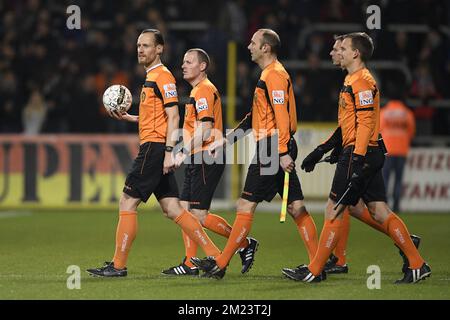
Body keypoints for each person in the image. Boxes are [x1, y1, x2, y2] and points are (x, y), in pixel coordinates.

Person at [282, 32, 430, 284]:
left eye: (341, 48)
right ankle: (417, 263)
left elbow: (364, 125)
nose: (334, 52)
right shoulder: (353, 79)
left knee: (335, 208)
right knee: (378, 211)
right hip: (365, 152)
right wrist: (322, 149)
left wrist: (357, 160)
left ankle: (315, 270)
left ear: (355, 53)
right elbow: (347, 125)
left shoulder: (361, 81)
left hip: (359, 152)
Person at [86, 29, 222, 277]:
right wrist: (132, 117)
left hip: (155, 147)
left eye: (146, 45)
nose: (140, 49)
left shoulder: (163, 77)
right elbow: (158, 116)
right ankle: (217, 257)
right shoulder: (153, 77)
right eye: (138, 45)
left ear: (159, 49)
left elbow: (173, 115)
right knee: (173, 209)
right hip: (157, 145)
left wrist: (170, 151)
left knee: (127, 201)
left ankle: (118, 266)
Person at [191, 29, 321, 280]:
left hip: (272, 148)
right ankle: (318, 265)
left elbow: (281, 116)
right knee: (295, 207)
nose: (248, 46)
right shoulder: (270, 74)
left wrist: (282, 151)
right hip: (275, 146)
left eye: (253, 43)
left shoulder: (274, 75)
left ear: (265, 48)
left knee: (245, 205)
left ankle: (220, 263)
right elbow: (255, 117)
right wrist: (229, 140)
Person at [161, 48, 258, 276]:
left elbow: (205, 130)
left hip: (206, 157)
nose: (183, 65)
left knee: (199, 216)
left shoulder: (204, 90)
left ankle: (244, 244)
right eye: (183, 61)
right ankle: (190, 262)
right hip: (198, 156)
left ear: (202, 66)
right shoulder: (198, 91)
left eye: (189, 61)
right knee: (184, 211)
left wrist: (183, 151)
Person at [380, 99, 416, 212]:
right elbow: (411, 131)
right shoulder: (407, 113)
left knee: (385, 178)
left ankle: (384, 205)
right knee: (398, 180)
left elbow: (379, 130)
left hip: (387, 150)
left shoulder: (384, 112)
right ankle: (396, 206)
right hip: (401, 150)